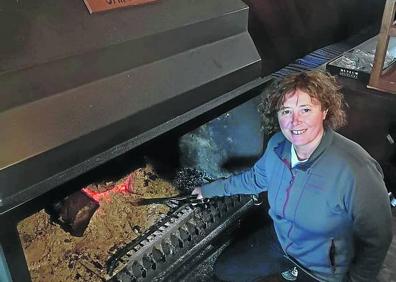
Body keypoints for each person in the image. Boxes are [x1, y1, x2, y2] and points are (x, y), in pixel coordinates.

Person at [192, 70, 393, 282]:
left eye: (305, 109)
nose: (294, 121)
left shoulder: (357, 169)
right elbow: (255, 179)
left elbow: (378, 238)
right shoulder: (277, 145)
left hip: (323, 267)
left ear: (324, 111)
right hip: (282, 242)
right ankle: (288, 269)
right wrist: (208, 190)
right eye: (286, 111)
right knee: (224, 270)